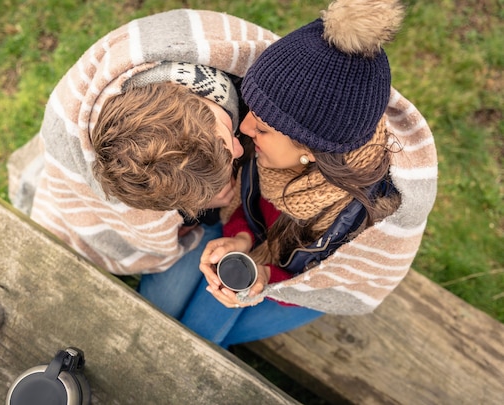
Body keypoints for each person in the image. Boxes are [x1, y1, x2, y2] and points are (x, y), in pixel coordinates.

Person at [149, 0, 438, 348]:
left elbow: (328, 280)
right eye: (252, 109)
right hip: (251, 254)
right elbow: (248, 204)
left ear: (312, 151)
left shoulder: (363, 214)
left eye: (264, 128)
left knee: (197, 336)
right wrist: (240, 238)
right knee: (160, 307)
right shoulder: (270, 153)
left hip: (299, 285)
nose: (244, 126)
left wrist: (269, 278)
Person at [7, 10, 278, 284]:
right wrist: (200, 200)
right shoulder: (75, 116)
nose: (240, 147)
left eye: (225, 136)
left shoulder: (227, 60)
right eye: (230, 141)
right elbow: (100, 196)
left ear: (193, 95)